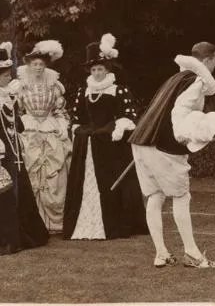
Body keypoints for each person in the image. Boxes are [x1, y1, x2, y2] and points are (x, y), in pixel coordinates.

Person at [127, 42, 215, 268]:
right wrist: (184, 136)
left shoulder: (174, 79)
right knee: (181, 196)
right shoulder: (196, 81)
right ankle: (192, 254)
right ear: (206, 61)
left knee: (156, 196)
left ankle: (161, 254)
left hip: (141, 142)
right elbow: (179, 111)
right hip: (163, 147)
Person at [63, 34, 148, 240]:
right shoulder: (83, 91)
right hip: (88, 146)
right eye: (93, 69)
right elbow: (76, 117)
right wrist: (78, 129)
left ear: (107, 69)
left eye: (100, 69)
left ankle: (114, 223)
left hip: (111, 147)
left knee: (113, 184)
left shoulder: (118, 90)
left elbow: (129, 116)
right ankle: (84, 222)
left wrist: (117, 127)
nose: (97, 73)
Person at [17, 39, 72, 232]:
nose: (38, 67)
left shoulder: (54, 85)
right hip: (30, 129)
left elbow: (60, 110)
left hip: (50, 129)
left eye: (41, 64)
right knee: (32, 171)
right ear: (29, 66)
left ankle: (54, 222)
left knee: (54, 174)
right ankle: (35, 221)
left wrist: (62, 125)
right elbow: (18, 111)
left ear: (45, 66)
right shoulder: (21, 87)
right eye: (35, 64)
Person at [0, 41, 49, 254]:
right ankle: (9, 238)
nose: (7, 77)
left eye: (7, 74)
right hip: (2, 152)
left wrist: (13, 104)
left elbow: (17, 125)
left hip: (14, 152)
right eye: (3, 75)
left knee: (20, 191)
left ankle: (23, 233)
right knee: (7, 195)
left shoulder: (9, 96)